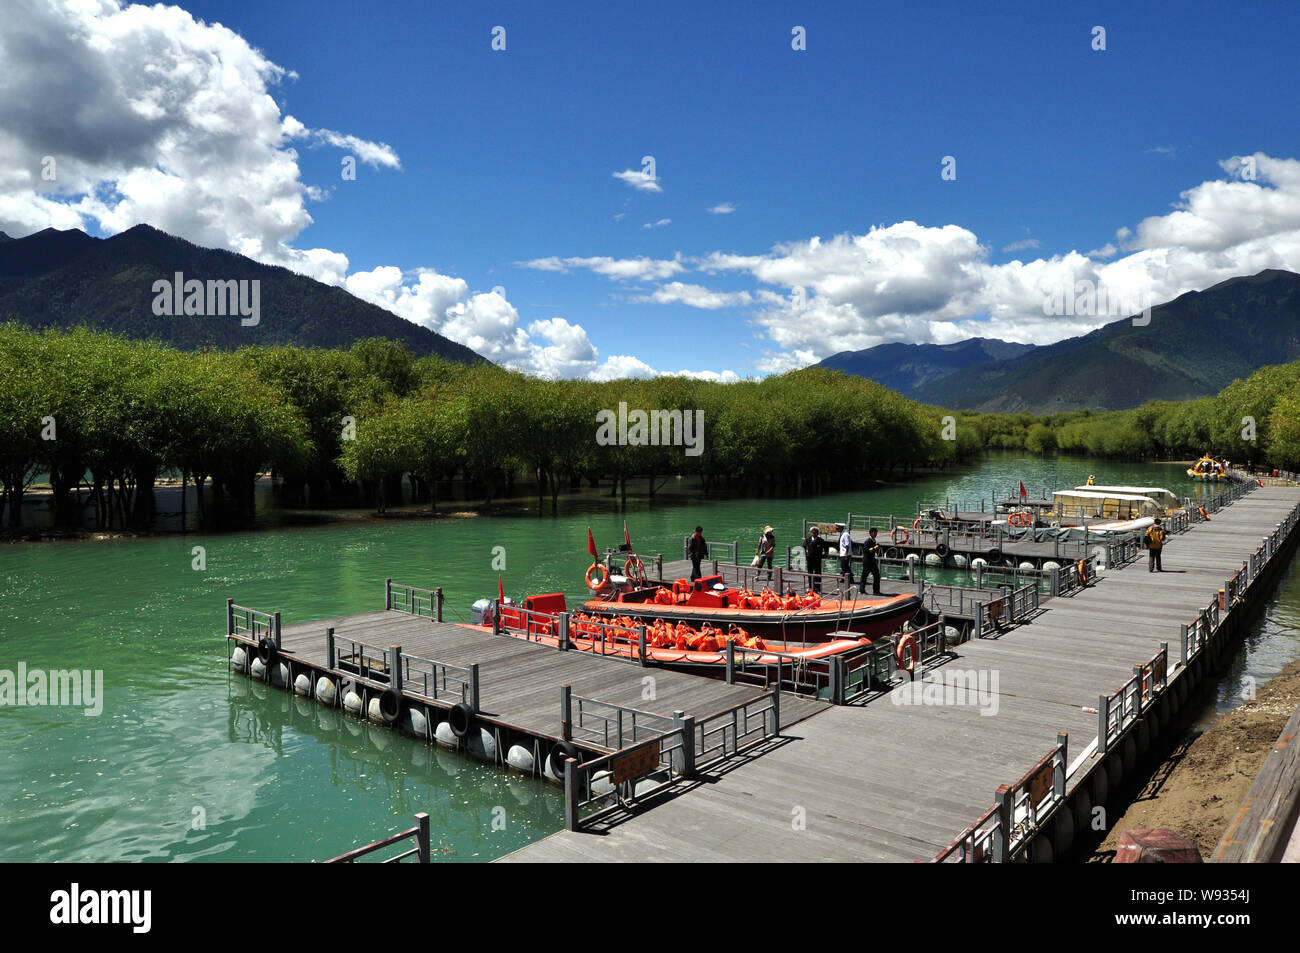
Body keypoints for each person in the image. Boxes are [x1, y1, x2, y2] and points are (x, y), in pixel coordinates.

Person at [803, 526, 829, 592]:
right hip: (810, 559)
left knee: (818, 573)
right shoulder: (808, 540)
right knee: (810, 573)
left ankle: (817, 588)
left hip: (817, 559)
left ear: (817, 533)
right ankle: (810, 587)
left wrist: (825, 555)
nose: (814, 534)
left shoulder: (821, 541)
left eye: (815, 533)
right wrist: (805, 554)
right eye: (813, 532)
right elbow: (803, 546)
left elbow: (826, 548)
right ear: (811, 533)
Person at [861, 526, 882, 595]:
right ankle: (862, 590)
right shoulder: (868, 541)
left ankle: (876, 590)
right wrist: (874, 548)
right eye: (875, 533)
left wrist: (876, 548)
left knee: (876, 575)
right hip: (867, 561)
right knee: (864, 576)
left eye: (876, 533)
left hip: (872, 561)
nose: (876, 534)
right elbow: (866, 550)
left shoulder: (874, 540)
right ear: (871, 533)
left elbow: (872, 550)